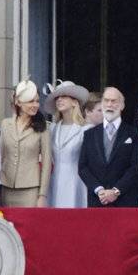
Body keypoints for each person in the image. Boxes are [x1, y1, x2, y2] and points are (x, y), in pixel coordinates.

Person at [79, 86, 138, 208]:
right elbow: (83, 167)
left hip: (125, 202)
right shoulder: (89, 135)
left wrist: (116, 191)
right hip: (97, 201)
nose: (109, 104)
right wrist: (99, 190)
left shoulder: (134, 134)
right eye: (106, 100)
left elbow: (136, 167)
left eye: (114, 101)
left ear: (122, 106)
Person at [0, 80, 52, 208]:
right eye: (31, 101)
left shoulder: (43, 127)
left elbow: (46, 162)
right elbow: (0, 156)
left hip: (31, 189)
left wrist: (42, 195)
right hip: (6, 187)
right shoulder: (6, 124)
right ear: (18, 102)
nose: (35, 105)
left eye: (37, 101)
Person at [42, 80, 91, 209]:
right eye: (57, 97)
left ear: (75, 101)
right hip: (53, 181)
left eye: (64, 97)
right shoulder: (52, 129)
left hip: (76, 182)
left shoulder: (85, 129)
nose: (59, 100)